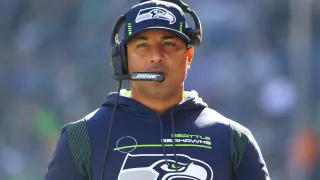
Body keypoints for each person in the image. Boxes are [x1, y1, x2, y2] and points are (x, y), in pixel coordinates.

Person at [44, 0, 271, 180]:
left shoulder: (234, 140)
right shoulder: (82, 138)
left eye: (169, 44)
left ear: (189, 56)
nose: (156, 56)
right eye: (142, 45)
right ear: (122, 59)